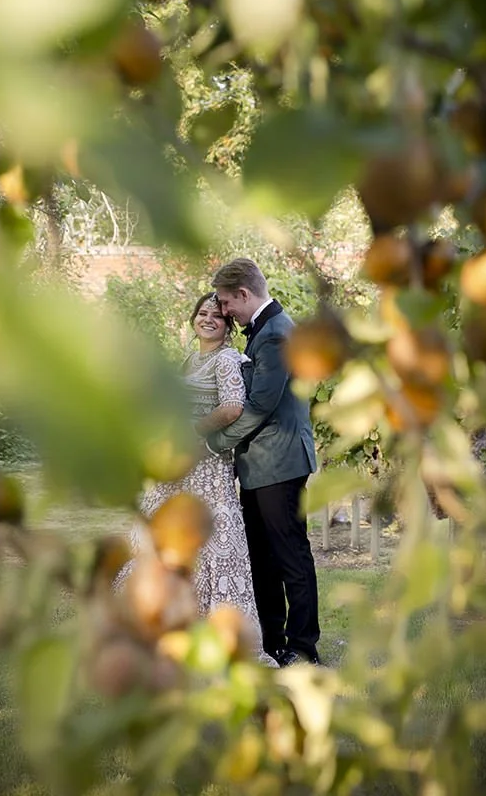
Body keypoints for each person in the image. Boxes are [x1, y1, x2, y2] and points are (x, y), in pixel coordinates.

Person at [125, 291, 278, 668]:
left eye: (217, 315)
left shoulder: (227, 360)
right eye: (202, 312)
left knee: (209, 546)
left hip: (206, 466)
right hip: (177, 464)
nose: (208, 318)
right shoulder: (190, 358)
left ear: (228, 326)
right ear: (193, 318)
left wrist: (192, 432)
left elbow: (231, 408)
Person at [206, 258, 321, 667]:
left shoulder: (274, 335)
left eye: (225, 302)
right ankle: (272, 641)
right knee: (263, 557)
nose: (223, 312)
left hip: (279, 463)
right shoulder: (266, 330)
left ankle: (304, 647)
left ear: (243, 293)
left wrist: (210, 442)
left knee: (290, 556)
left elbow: (257, 408)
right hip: (261, 466)